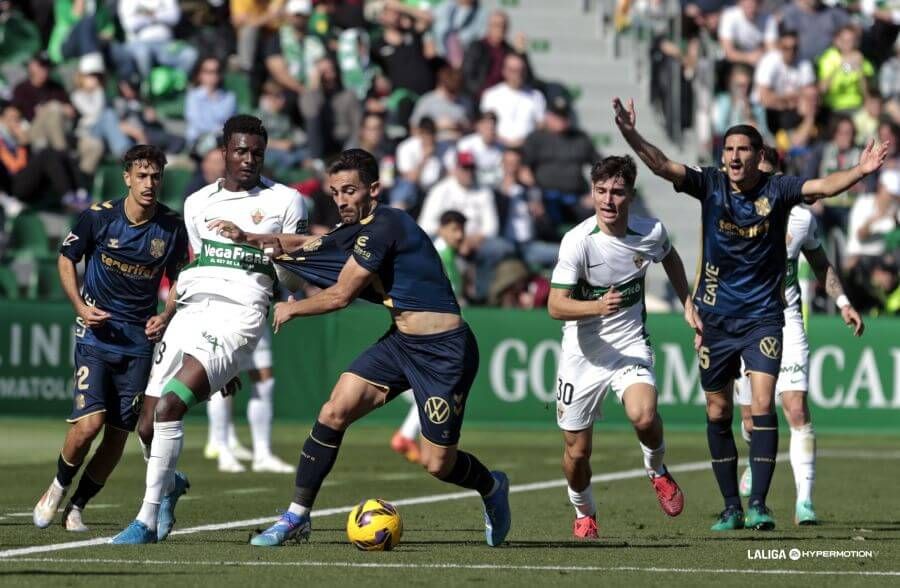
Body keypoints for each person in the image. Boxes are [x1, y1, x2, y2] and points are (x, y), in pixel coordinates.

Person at [612, 95, 887, 530]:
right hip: (715, 318)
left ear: (760, 157)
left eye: (743, 150)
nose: (734, 156)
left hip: (763, 316)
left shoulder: (778, 190)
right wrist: (630, 134)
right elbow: (664, 166)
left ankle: (759, 502)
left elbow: (823, 186)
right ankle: (730, 507)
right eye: (729, 149)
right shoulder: (711, 184)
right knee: (719, 412)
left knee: (764, 406)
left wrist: (860, 172)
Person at [232, 148, 511, 547]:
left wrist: (294, 309)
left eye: (350, 191)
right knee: (334, 410)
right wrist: (252, 238)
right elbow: (315, 242)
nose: (342, 200)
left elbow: (341, 294)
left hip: (445, 352)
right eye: (335, 193)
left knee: (437, 463)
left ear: (373, 189)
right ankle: (297, 517)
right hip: (402, 344)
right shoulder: (359, 228)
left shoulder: (387, 224)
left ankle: (491, 486)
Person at [110, 114, 308, 544]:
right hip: (189, 314)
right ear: (223, 152)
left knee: (169, 409)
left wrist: (257, 240)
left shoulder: (287, 201)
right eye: (240, 150)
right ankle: (170, 484)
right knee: (144, 424)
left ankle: (145, 522)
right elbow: (195, 265)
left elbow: (293, 279)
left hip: (239, 315)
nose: (249, 159)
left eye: (256, 152)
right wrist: (169, 312)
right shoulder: (197, 202)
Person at [32, 145, 188, 532]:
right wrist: (80, 308)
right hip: (97, 334)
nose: (149, 183)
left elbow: (181, 276)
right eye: (142, 175)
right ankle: (57, 486)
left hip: (139, 341)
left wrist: (166, 316)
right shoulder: (98, 218)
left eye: (156, 176)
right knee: (89, 424)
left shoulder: (171, 226)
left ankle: (77, 507)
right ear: (127, 178)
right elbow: (67, 257)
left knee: (118, 436)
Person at [548, 155, 691, 539]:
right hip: (582, 355)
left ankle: (657, 470)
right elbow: (555, 305)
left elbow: (670, 257)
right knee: (577, 454)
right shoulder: (577, 241)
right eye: (601, 191)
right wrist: (597, 306)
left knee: (644, 416)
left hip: (629, 345)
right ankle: (584, 512)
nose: (608, 200)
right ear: (592, 192)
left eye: (617, 192)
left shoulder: (650, 232)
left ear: (630, 194)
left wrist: (687, 301)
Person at [733, 146, 865, 526]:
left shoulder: (802, 219)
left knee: (795, 408)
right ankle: (754, 460)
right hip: (746, 323)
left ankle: (804, 502)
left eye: (771, 176)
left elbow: (820, 264)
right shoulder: (732, 213)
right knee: (751, 416)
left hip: (788, 322)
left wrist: (843, 302)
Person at [205, 325, 296, 474]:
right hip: (228, 319)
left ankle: (263, 454)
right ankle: (223, 450)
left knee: (265, 381)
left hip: (257, 318)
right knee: (225, 380)